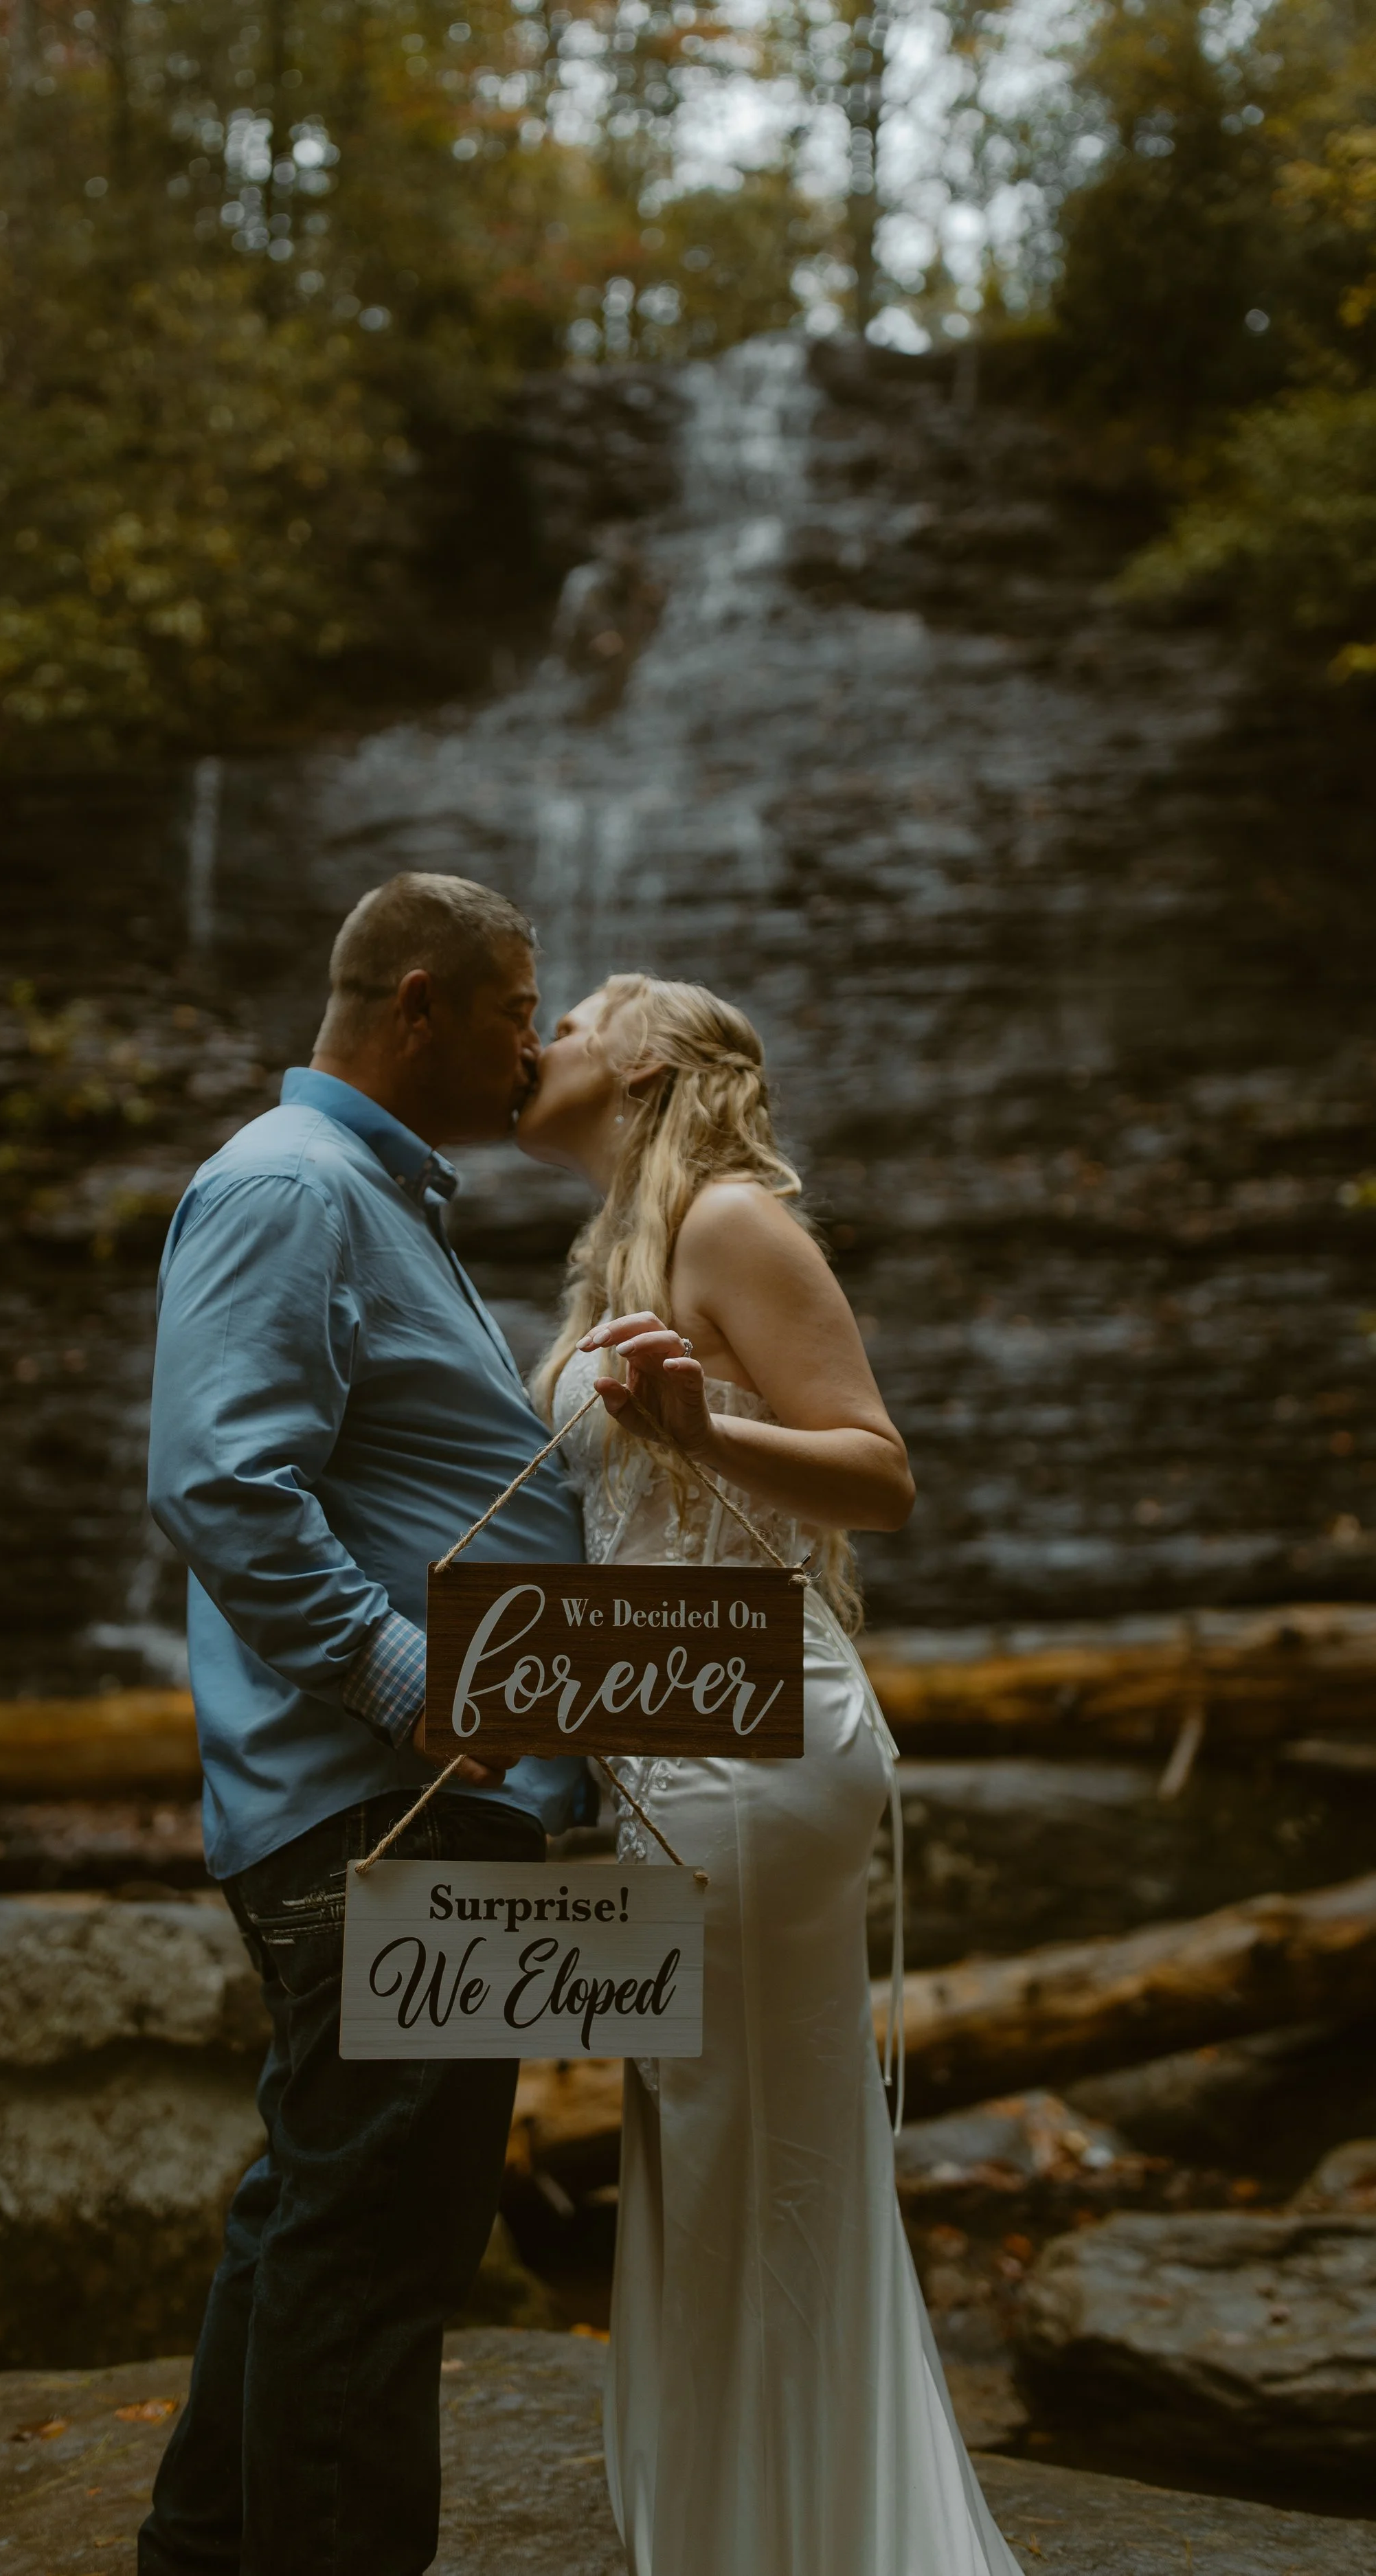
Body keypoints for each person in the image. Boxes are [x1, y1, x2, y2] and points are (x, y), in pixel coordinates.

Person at [518, 972, 1022, 2576]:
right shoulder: (624, 1241)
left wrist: (698, 1430)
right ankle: (747, 2518)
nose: (543, 1036)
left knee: (740, 2127)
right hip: (663, 1743)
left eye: (577, 1011)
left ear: (649, 1061)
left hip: (752, 1739)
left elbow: (878, 1472)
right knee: (699, 2125)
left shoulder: (727, 1219)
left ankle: (782, 2539)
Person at [140, 873, 587, 2576]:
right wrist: (413, 1685)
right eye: (508, 1008)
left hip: (411, 1806)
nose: (531, 1048)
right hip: (378, 1805)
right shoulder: (290, 1187)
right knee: (380, 2248)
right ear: (416, 1004)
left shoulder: (372, 1196)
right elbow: (219, 1485)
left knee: (318, 2212)